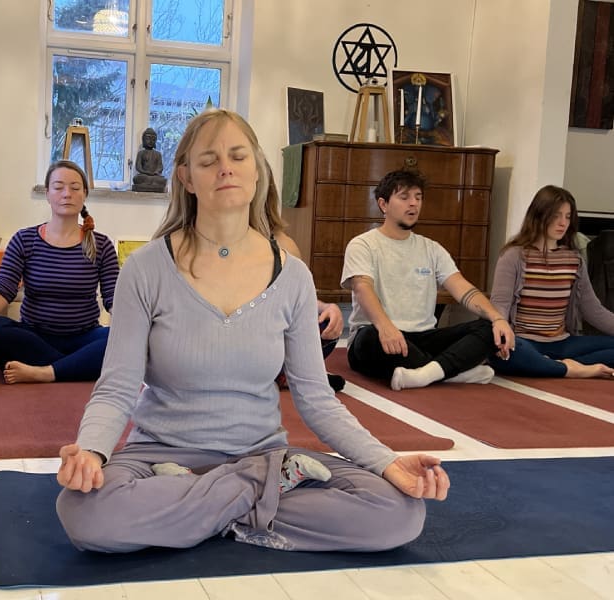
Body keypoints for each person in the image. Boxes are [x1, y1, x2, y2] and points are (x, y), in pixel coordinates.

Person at [55, 109, 448, 555]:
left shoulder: (293, 276)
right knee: (84, 513)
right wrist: (91, 452)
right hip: (160, 457)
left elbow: (317, 400)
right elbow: (117, 388)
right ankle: (254, 502)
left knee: (399, 512)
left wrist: (387, 461)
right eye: (209, 160)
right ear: (186, 177)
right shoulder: (145, 269)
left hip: (263, 455)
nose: (225, 167)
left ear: (257, 170)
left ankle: (201, 510)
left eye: (238, 156)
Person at [340, 169, 514, 391]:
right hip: (379, 335)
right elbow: (363, 287)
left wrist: (497, 318)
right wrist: (386, 326)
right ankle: (450, 371)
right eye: (404, 198)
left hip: (424, 338)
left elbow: (462, 288)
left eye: (418, 197)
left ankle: (425, 374)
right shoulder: (362, 245)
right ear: (383, 204)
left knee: (489, 328)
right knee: (368, 338)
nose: (413, 204)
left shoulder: (432, 249)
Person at [0, 160, 119, 383]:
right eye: (58, 187)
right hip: (34, 337)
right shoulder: (24, 239)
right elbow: (3, 287)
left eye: (75, 188)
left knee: (126, 338)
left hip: (85, 337)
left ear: (84, 194)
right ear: (47, 194)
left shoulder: (102, 245)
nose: (67, 194)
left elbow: (114, 296)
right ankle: (77, 365)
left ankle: (45, 372)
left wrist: (137, 328)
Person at [489, 185, 614, 378]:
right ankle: (571, 369)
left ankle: (551, 365)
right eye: (556, 215)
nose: (562, 223)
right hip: (523, 342)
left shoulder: (574, 259)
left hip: (562, 343)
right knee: (506, 354)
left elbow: (593, 310)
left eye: (567, 216)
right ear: (539, 215)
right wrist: (502, 338)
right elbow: (500, 306)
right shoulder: (513, 256)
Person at [263, 161, 346, 392]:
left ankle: (286, 372)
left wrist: (325, 307)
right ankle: (293, 373)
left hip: (274, 338)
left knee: (324, 321)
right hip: (234, 340)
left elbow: (298, 302)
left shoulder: (284, 244)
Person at [131, 127, 167, 192]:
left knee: (163, 180)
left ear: (155, 141)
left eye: (153, 139)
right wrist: (146, 172)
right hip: (144, 175)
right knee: (136, 179)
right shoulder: (141, 153)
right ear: (143, 140)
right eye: (148, 139)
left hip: (154, 176)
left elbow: (160, 167)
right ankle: (150, 183)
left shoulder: (158, 154)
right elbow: (138, 167)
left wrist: (156, 172)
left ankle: (151, 183)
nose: (150, 141)